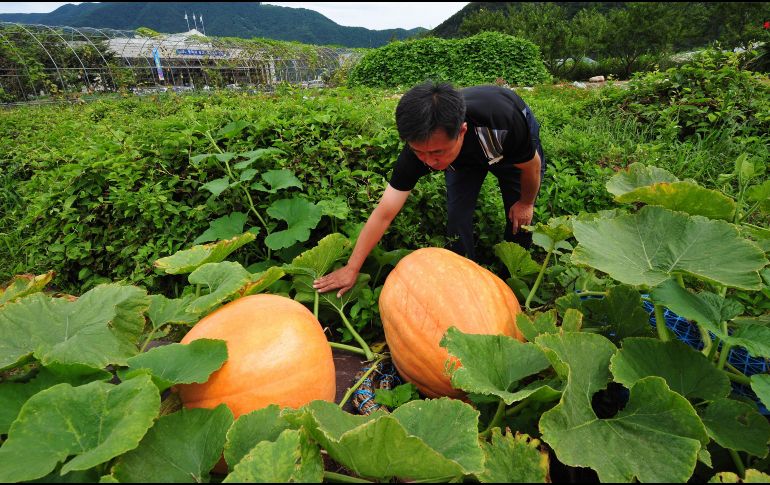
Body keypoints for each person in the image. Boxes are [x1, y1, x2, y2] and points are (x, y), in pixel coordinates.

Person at [313, 80, 546, 297]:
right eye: (420, 152)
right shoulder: (418, 152)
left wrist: (526, 202)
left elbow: (531, 167)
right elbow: (384, 212)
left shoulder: (503, 123)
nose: (429, 162)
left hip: (504, 149)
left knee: (519, 220)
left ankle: (513, 284)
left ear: (462, 131)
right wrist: (352, 267)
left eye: (437, 152)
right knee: (457, 215)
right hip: (461, 158)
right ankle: (464, 282)